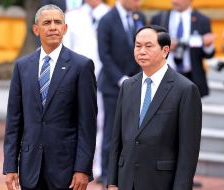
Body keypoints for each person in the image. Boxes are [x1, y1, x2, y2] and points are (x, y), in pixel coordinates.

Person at [3, 4, 97, 190]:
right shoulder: (22, 67)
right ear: (36, 29)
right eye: (47, 22)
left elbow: (87, 125)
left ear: (65, 28)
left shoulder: (81, 66)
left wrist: (83, 169)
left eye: (57, 22)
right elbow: (14, 121)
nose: (53, 27)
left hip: (66, 170)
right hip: (30, 170)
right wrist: (10, 166)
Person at [107, 25, 202, 190]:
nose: (141, 51)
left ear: (165, 50)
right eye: (138, 46)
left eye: (148, 46)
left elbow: (188, 150)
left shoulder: (185, 89)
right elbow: (117, 139)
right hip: (126, 181)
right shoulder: (128, 86)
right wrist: (112, 182)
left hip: (160, 182)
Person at [97, 0, 146, 186]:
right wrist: (121, 79)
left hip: (137, 85)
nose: (138, 2)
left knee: (135, 131)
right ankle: (106, 173)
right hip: (112, 86)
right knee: (111, 131)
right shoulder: (107, 20)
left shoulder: (139, 18)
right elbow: (104, 54)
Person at [63, 0, 110, 178]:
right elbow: (66, 49)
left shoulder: (110, 14)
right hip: (77, 80)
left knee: (102, 124)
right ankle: (74, 166)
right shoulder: (72, 16)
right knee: (75, 123)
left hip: (105, 80)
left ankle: (98, 168)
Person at [151, 0, 215, 97]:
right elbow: (148, 48)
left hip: (191, 77)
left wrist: (208, 45)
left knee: (189, 111)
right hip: (163, 77)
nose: (174, 1)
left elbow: (209, 54)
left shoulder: (202, 20)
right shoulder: (159, 18)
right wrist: (163, 45)